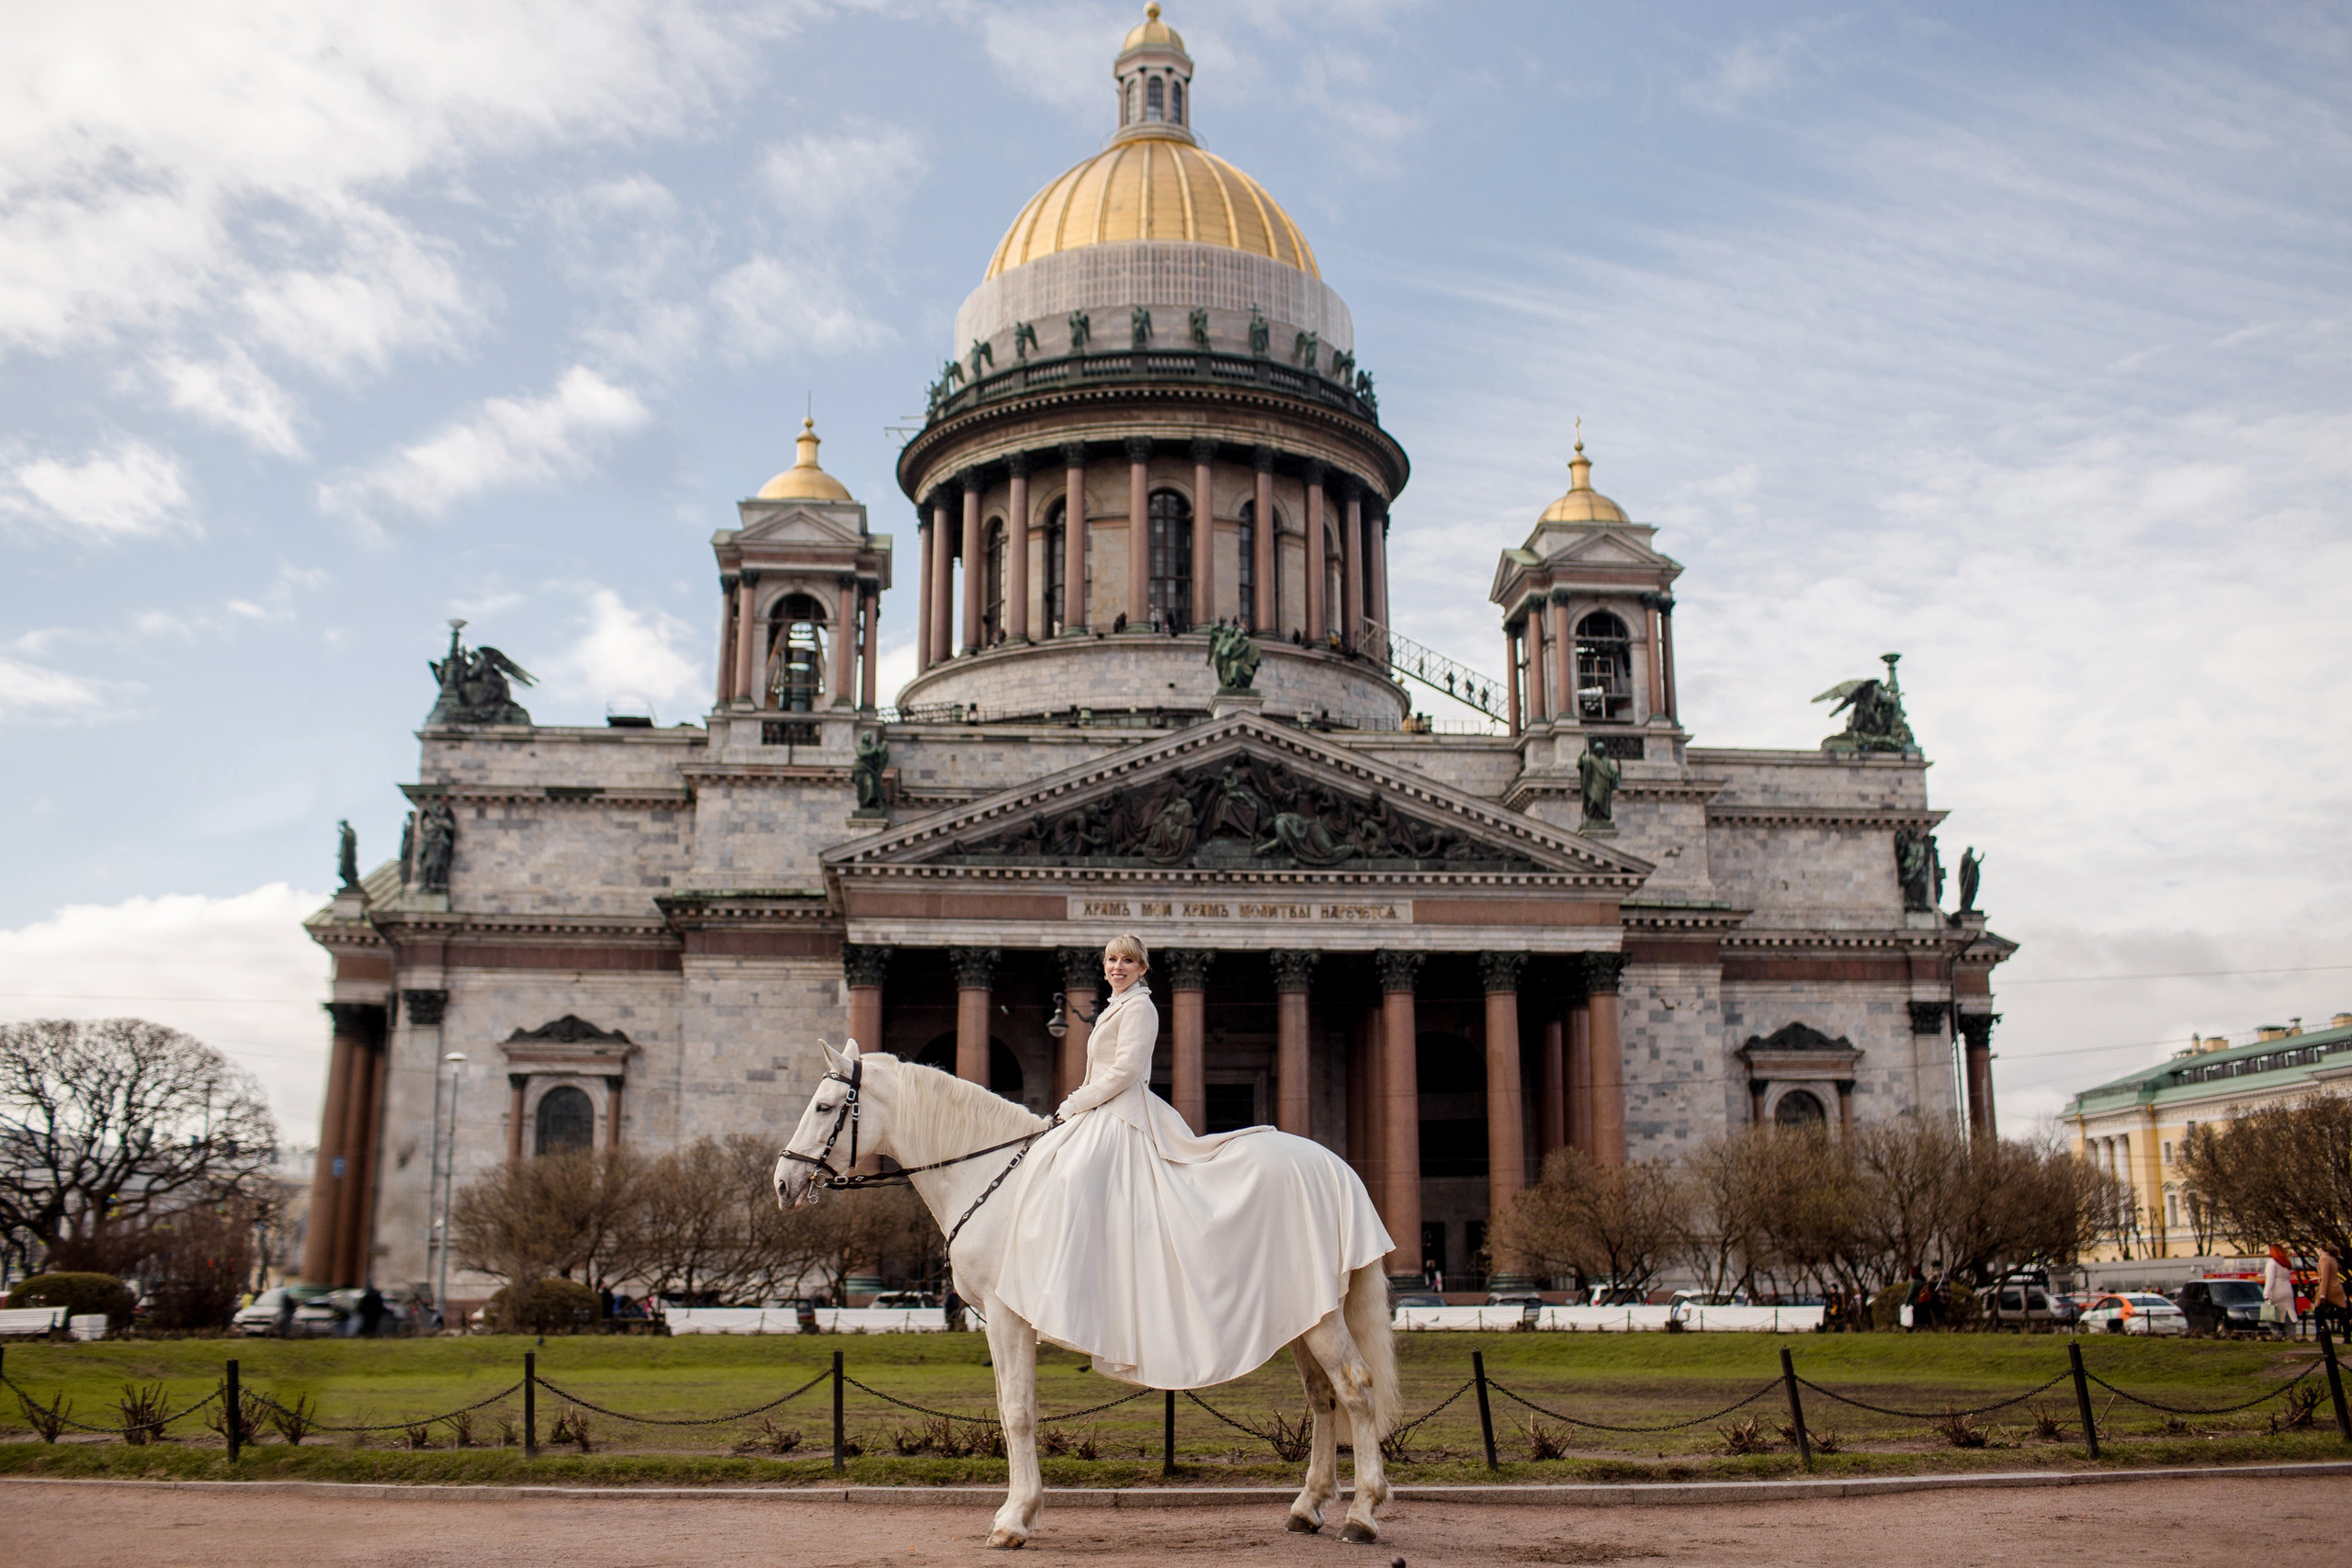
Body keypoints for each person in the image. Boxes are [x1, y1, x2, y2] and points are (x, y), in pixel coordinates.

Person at [993, 935, 1391, 1389]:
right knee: (1059, 1172)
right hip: (1103, 1111)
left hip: (1120, 1112)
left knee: (1072, 1177)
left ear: (1143, 968)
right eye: (1111, 960)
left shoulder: (1141, 1008)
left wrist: (1075, 1102)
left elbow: (1125, 1071)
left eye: (1128, 961)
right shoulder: (1115, 1006)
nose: (1118, 967)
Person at [2263, 1245, 2302, 1338]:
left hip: (2276, 1291)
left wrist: (2266, 1294)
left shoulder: (2272, 1262)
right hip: (2288, 1290)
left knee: (2271, 1315)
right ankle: (2291, 1336)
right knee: (2289, 1314)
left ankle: (2277, 1335)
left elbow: (2270, 1279)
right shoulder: (2286, 1263)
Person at [2313, 1248, 2348, 1338]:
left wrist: (2323, 1294)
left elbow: (2326, 1278)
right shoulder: (2332, 1258)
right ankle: (2347, 1336)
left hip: (2329, 1289)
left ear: (2320, 1249)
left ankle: (2321, 1335)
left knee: (2318, 1311)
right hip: (2337, 1287)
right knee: (2341, 1313)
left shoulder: (2324, 1258)